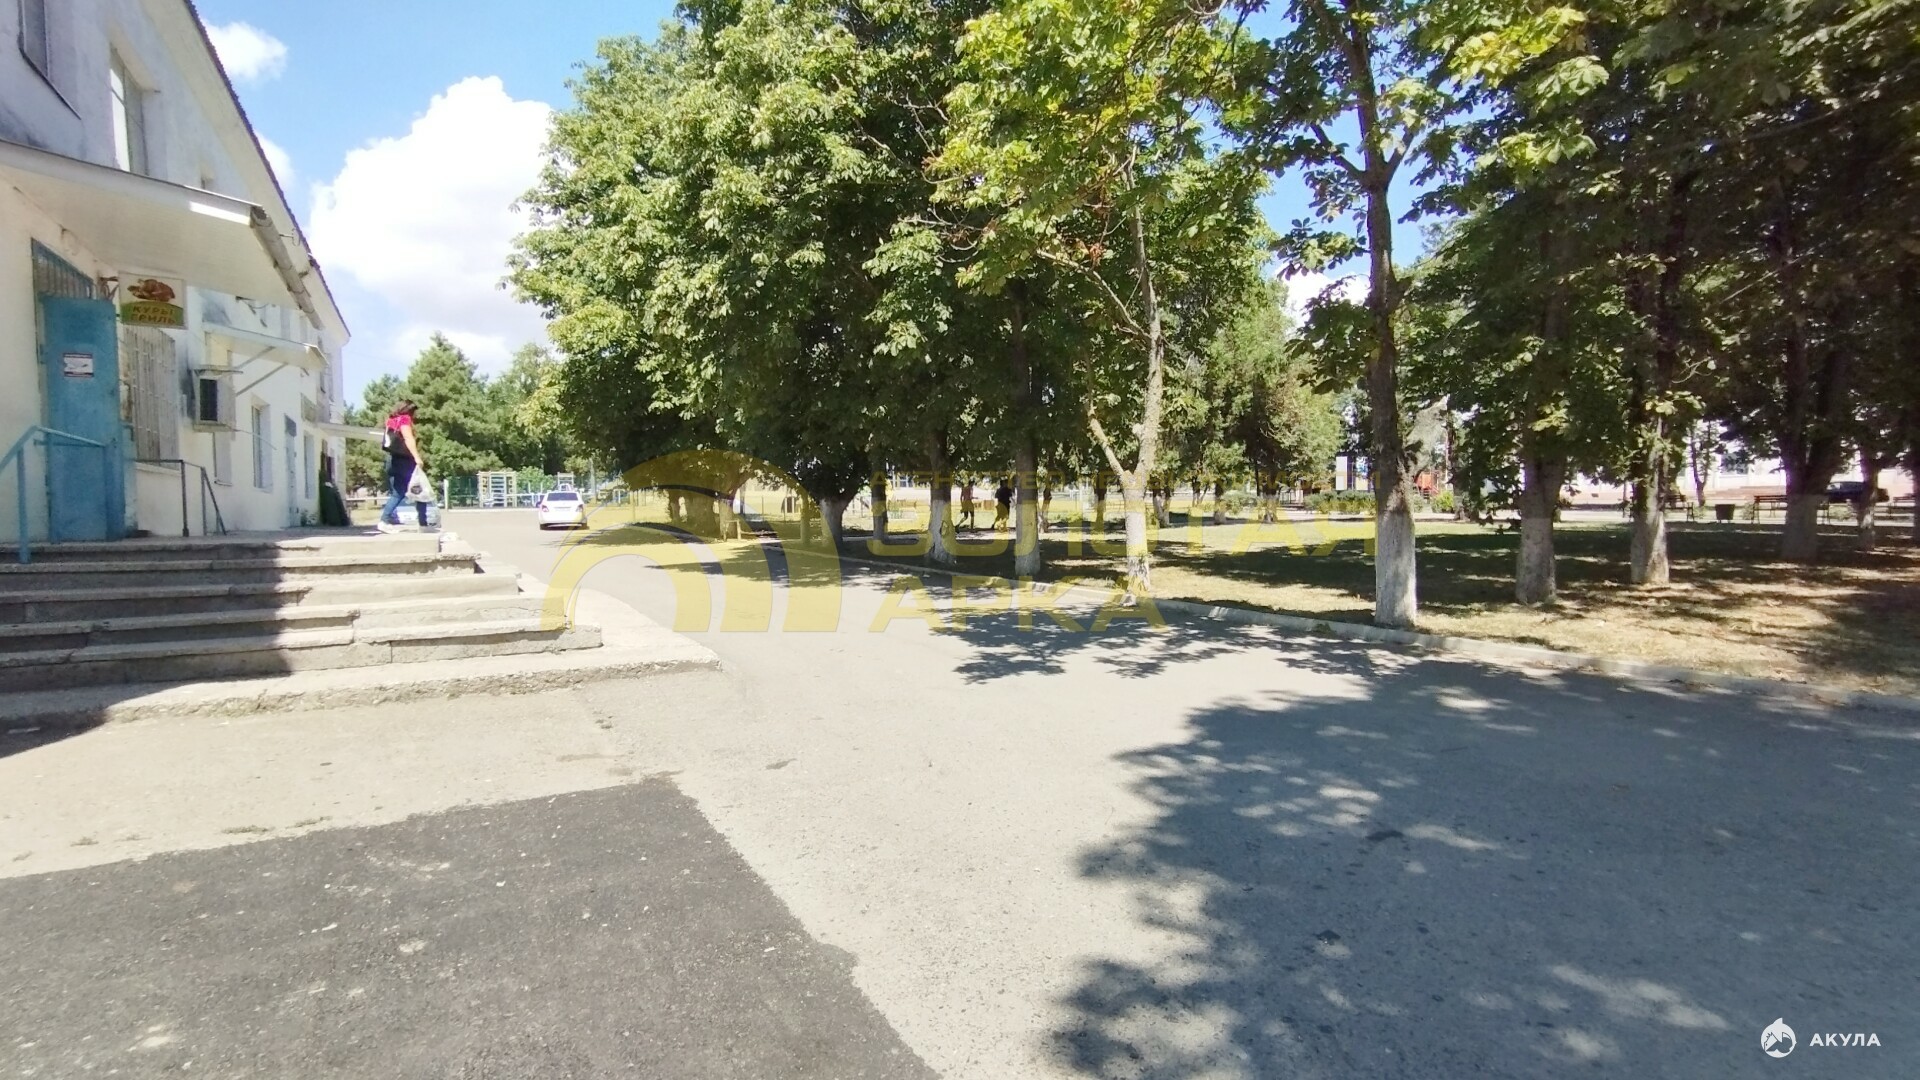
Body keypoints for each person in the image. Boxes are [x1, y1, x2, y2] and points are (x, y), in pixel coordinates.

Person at [379, 400, 430, 532]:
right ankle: (423, 524)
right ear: (409, 411)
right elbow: (408, 438)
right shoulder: (404, 419)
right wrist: (417, 457)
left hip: (392, 459)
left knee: (398, 493)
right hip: (405, 460)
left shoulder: (391, 420)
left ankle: (384, 520)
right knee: (419, 490)